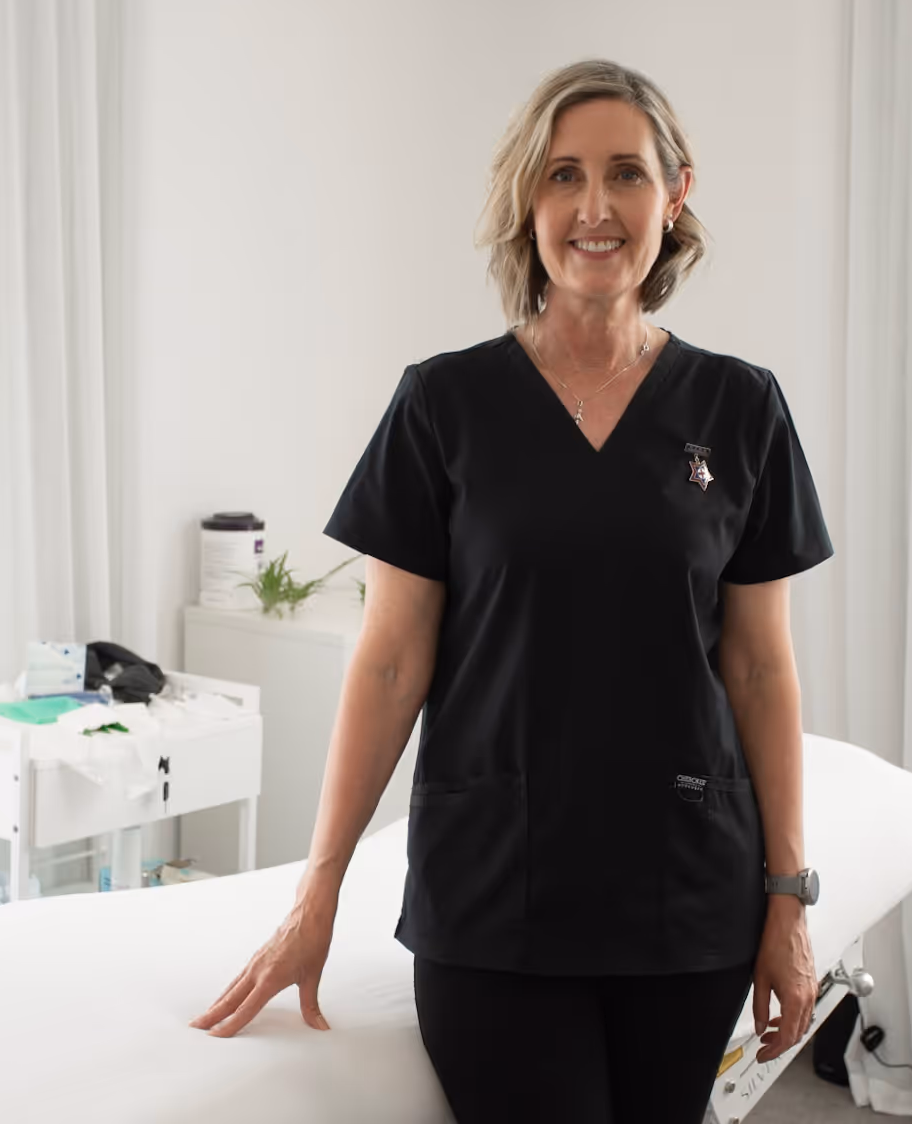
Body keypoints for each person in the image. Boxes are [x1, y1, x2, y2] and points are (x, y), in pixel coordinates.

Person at [191, 58, 835, 1124]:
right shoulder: (442, 405)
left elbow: (759, 668)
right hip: (493, 900)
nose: (593, 207)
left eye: (625, 174)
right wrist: (317, 889)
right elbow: (391, 660)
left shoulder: (739, 406)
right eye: (561, 175)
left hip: (685, 901)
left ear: (673, 196)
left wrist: (786, 897)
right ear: (525, 200)